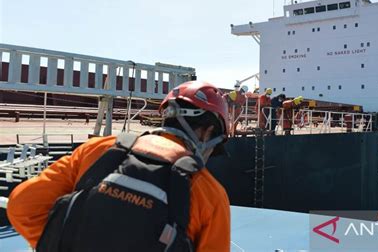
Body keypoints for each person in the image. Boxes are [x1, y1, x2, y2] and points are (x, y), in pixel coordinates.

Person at [7, 81, 231, 251]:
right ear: (208, 133)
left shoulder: (96, 150)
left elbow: (22, 206)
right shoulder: (209, 194)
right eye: (216, 147)